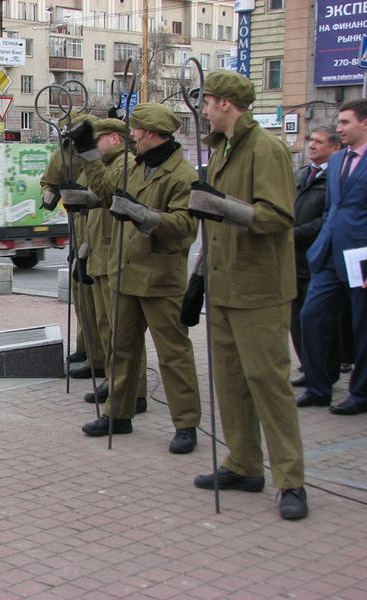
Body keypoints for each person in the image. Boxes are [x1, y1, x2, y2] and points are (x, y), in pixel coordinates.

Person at [188, 70, 307, 520]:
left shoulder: (266, 148)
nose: (202, 110)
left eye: (207, 102)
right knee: (231, 382)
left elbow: (278, 216)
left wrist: (219, 205)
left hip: (259, 289)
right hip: (224, 285)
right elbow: (214, 225)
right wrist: (198, 280)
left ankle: (291, 479)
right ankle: (244, 463)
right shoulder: (222, 151)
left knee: (269, 384)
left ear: (224, 104)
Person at [78, 104, 202, 455]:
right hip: (125, 271)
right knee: (122, 349)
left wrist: (142, 214)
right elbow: (103, 190)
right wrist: (88, 152)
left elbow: (185, 227)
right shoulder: (134, 167)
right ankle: (119, 414)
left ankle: (186, 423)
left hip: (161, 278)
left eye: (136, 131)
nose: (132, 136)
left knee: (173, 354)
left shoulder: (182, 175)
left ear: (149, 133)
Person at [72, 118, 149, 412]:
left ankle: (134, 390)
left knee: (122, 332)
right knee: (107, 327)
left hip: (113, 253)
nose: (96, 145)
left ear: (114, 139)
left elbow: (109, 198)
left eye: (99, 139)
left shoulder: (124, 164)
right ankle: (116, 381)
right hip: (100, 253)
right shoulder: (109, 165)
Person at [299, 99, 367, 417]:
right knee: (310, 316)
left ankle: (360, 391)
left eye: (345, 122)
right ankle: (318, 387)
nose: (339, 129)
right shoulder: (338, 161)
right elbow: (331, 208)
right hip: (328, 252)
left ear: (364, 124)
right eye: (338, 123)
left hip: (360, 256)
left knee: (361, 325)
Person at [40, 112, 106, 381]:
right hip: (77, 226)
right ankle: (87, 349)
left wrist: (79, 192)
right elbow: (49, 181)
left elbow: (104, 187)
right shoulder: (63, 153)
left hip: (97, 223)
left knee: (95, 301)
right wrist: (51, 195)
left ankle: (99, 358)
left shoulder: (98, 153)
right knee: (80, 296)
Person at [290, 127, 342, 395]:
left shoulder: (336, 176)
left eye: (319, 142)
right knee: (297, 320)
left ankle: (326, 372)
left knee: (321, 321)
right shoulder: (301, 175)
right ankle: (310, 369)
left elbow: (327, 219)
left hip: (318, 257)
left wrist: (292, 235)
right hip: (294, 260)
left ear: (334, 147)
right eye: (310, 140)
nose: (312, 146)